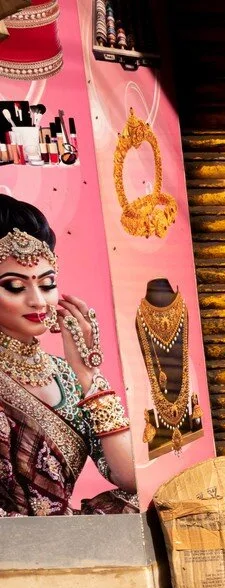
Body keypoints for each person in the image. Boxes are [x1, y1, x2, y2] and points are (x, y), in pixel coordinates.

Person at [0, 195, 137, 516]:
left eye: (47, 284)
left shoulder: (67, 377)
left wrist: (89, 377)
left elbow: (133, 478)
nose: (38, 301)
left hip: (63, 542)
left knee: (145, 502)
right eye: (15, 287)